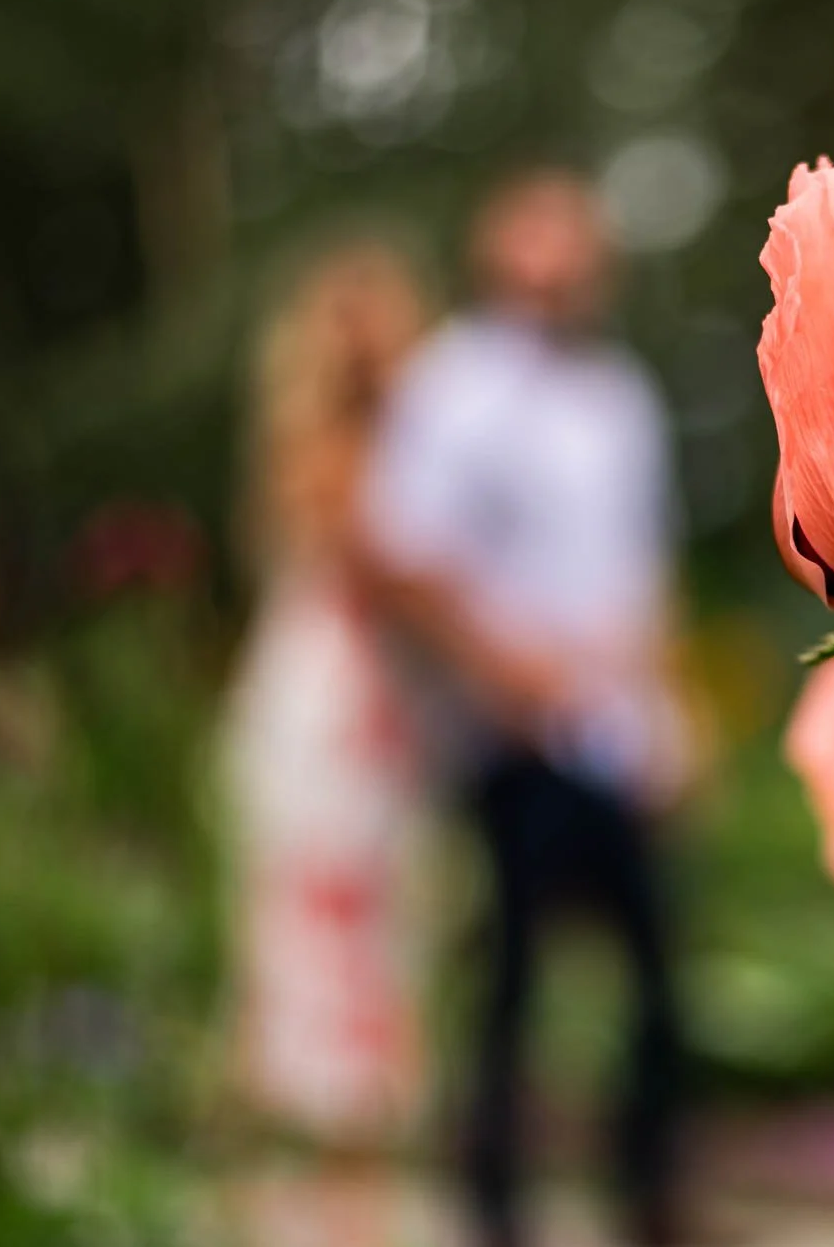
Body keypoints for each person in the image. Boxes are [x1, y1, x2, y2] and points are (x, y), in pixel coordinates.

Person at [358, 169, 689, 1247]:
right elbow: (405, 555)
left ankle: (651, 1192)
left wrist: (666, 703)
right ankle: (493, 1204)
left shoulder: (623, 397)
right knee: (512, 972)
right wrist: (509, 673)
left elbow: (647, 569)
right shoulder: (453, 384)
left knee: (655, 967)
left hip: (617, 733)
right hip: (508, 736)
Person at [220, 238, 434, 1246]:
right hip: (325, 699)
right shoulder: (316, 454)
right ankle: (325, 1179)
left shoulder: (419, 438)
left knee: (379, 926)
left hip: (378, 701)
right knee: (318, 927)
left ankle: (354, 1180)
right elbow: (368, 560)